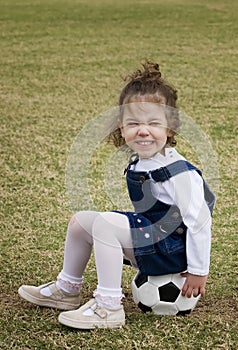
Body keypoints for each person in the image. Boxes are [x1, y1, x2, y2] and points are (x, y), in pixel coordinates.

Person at [18, 61, 215, 329]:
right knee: (81, 222)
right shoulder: (141, 159)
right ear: (121, 128)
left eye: (154, 123)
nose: (143, 130)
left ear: (170, 129)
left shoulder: (177, 172)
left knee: (106, 225)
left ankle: (109, 306)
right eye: (133, 123)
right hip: (155, 240)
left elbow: (200, 221)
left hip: (172, 251)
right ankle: (68, 289)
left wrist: (198, 271)